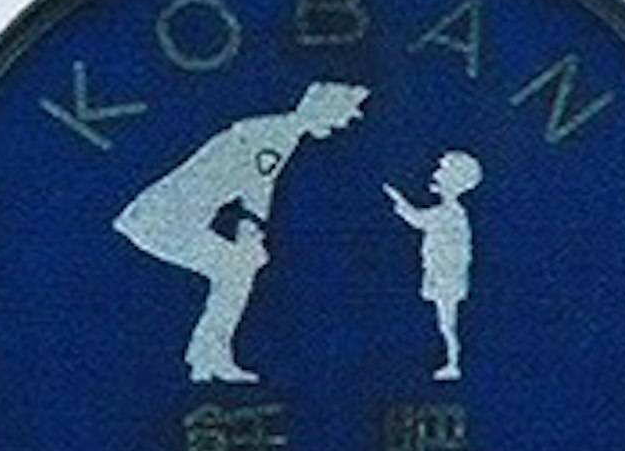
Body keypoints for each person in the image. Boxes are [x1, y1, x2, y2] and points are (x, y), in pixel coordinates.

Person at [110, 82, 370, 383]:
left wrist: (251, 239)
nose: (349, 121)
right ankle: (208, 357)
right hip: (161, 220)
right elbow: (256, 191)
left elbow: (256, 188)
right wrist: (250, 238)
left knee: (237, 271)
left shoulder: (276, 132)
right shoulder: (274, 137)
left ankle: (206, 357)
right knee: (236, 271)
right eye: (346, 112)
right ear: (325, 109)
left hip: (168, 219)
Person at [385, 149, 481, 380]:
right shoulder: (452, 212)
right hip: (442, 275)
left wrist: (397, 199)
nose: (435, 175)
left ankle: (452, 363)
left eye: (441, 172)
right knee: (445, 323)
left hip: (445, 278)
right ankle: (450, 362)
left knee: (447, 324)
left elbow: (418, 219)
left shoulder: (450, 213)